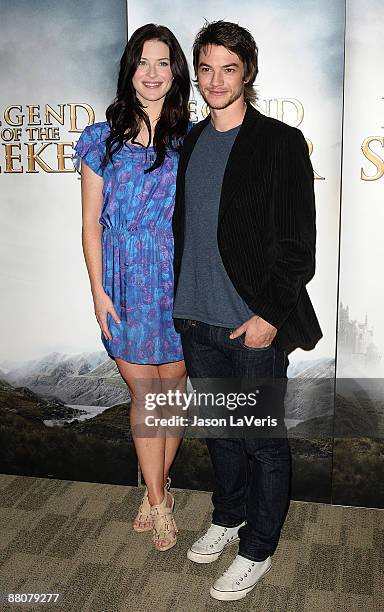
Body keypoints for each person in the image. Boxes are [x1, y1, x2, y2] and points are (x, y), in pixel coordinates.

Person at [172, 20, 322, 600]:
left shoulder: (279, 142)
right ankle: (227, 517)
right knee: (222, 434)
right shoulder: (188, 141)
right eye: (205, 68)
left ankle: (257, 547)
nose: (215, 80)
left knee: (261, 442)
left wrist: (270, 315)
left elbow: (297, 246)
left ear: (248, 73)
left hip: (251, 322)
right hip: (196, 317)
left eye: (227, 69)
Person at [74, 23, 191, 552]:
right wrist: (100, 292)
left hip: (181, 276)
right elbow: (91, 222)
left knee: (173, 396)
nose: (151, 72)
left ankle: (153, 488)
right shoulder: (102, 138)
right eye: (142, 62)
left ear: (175, 72)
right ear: (130, 69)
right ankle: (161, 501)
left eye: (162, 62)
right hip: (124, 279)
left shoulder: (191, 138)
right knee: (144, 392)